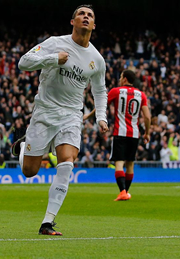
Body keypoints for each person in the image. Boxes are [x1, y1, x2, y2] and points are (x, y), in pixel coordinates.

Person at [11, 4, 108, 236]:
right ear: (72, 21)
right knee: (30, 171)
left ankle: (47, 222)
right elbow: (23, 63)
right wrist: (53, 59)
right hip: (44, 111)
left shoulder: (97, 59)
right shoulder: (56, 42)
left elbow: (100, 91)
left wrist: (101, 117)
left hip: (72, 114)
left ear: (94, 25)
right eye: (81, 14)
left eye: (90, 15)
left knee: (67, 162)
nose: (86, 17)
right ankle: (26, 147)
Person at [85, 70, 151, 201]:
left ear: (125, 79)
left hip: (120, 132)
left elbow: (101, 106)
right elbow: (147, 117)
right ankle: (125, 192)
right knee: (130, 164)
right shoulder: (141, 95)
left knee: (119, 163)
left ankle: (122, 192)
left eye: (121, 76)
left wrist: (88, 115)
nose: (120, 79)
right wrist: (147, 133)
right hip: (134, 134)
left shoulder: (116, 91)